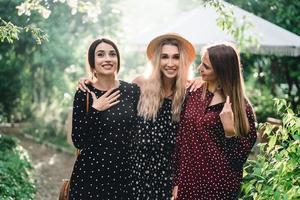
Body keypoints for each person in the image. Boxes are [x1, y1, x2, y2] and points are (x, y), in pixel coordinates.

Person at [77, 33, 198, 199]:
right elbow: (116, 110)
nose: (170, 63)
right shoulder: (140, 86)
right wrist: (91, 81)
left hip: (166, 177)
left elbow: (189, 143)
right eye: (164, 57)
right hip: (132, 174)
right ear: (157, 60)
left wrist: (203, 81)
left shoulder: (189, 93)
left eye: (176, 57)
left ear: (182, 61)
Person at [172, 42, 257, 200]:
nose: (199, 69)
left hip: (220, 188)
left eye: (206, 66)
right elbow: (181, 140)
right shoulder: (192, 93)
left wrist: (230, 132)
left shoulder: (241, 108)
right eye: (201, 63)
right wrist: (176, 182)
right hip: (189, 185)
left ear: (222, 71)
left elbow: (239, 159)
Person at [69, 38, 140, 199]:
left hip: (124, 177)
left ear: (118, 60)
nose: (107, 58)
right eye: (100, 54)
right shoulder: (84, 94)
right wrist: (96, 109)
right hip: (90, 178)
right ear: (92, 63)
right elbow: (79, 140)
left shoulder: (132, 91)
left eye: (112, 54)